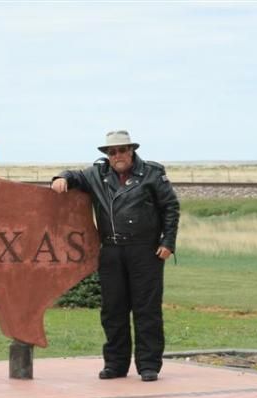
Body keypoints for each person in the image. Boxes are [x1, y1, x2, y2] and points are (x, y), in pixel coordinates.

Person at [51, 130, 180, 382]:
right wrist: (61, 177)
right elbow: (75, 175)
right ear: (107, 155)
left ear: (131, 151)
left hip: (145, 250)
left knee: (147, 310)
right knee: (113, 311)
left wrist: (168, 242)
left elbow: (170, 207)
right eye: (112, 152)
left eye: (122, 150)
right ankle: (115, 364)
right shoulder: (97, 174)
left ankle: (149, 365)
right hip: (111, 250)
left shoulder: (152, 173)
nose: (117, 155)